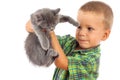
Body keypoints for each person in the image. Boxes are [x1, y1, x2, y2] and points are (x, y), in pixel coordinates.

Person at [26, 1, 113, 80]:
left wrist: (51, 32)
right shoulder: (70, 42)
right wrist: (37, 23)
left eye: (89, 29)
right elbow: (29, 28)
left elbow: (62, 63)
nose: (82, 33)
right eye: (79, 27)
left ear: (104, 35)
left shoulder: (91, 59)